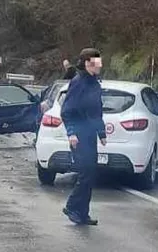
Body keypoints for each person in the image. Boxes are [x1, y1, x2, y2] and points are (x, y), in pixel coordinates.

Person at [60, 48, 106, 225]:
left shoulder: (94, 82)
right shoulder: (78, 82)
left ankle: (83, 212)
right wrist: (71, 133)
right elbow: (67, 111)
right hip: (78, 134)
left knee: (91, 173)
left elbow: (97, 111)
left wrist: (101, 132)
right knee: (85, 173)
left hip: (90, 133)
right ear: (87, 63)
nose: (100, 66)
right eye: (97, 62)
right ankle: (72, 206)